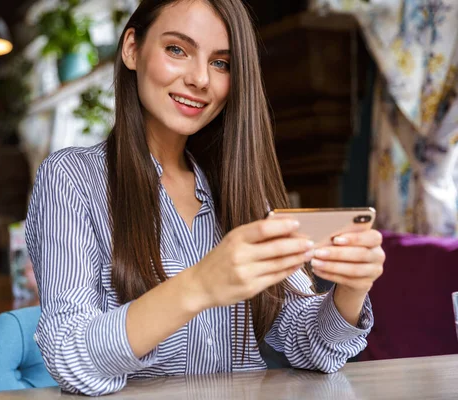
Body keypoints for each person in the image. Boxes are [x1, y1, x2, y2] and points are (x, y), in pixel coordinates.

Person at [25, 0, 385, 396]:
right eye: (177, 49)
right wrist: (199, 284)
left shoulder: (238, 188)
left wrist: (352, 288)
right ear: (131, 48)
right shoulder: (71, 178)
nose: (200, 79)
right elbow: (69, 356)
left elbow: (311, 346)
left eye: (221, 63)